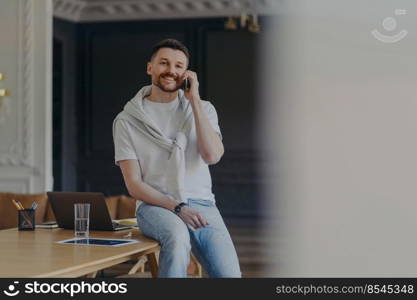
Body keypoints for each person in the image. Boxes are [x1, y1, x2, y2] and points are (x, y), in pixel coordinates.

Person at [112, 39, 241, 278]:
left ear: (186, 73)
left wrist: (195, 101)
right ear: (150, 68)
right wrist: (178, 207)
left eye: (179, 66)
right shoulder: (126, 120)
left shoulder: (204, 109)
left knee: (230, 276)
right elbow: (134, 185)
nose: (171, 70)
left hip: (202, 204)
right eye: (164, 63)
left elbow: (212, 155)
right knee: (177, 236)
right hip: (155, 206)